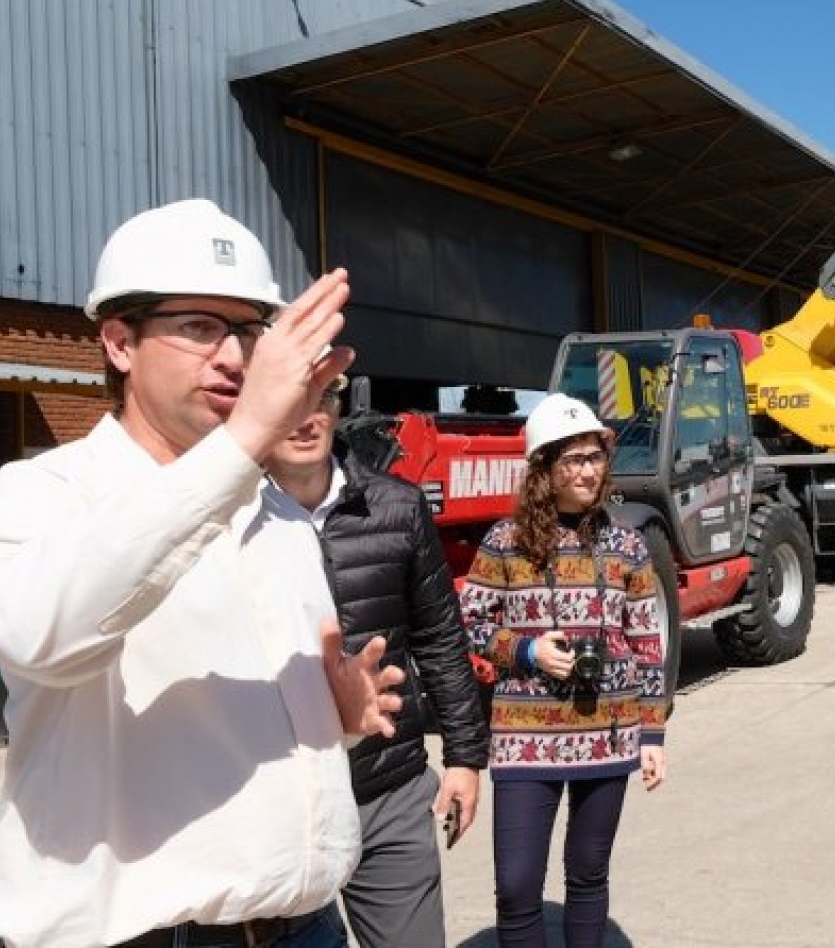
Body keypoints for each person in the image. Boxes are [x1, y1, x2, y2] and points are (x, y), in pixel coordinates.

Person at [0, 199, 403, 947]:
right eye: (199, 327)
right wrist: (247, 438)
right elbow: (43, 636)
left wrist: (335, 724)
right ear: (119, 343)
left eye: (250, 331)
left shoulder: (279, 517)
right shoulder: (44, 494)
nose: (234, 357)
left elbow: (226, 740)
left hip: (304, 927)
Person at [266, 377, 492, 947]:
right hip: (278, 802)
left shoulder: (395, 506)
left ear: (338, 406)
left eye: (320, 399)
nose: (306, 417)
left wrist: (465, 758)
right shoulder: (228, 523)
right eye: (290, 398)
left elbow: (440, 637)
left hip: (386, 789)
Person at [458, 393, 670, 948]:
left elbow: (647, 640)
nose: (586, 470)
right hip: (524, 738)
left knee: (588, 874)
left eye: (594, 457)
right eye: (572, 459)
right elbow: (469, 621)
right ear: (543, 469)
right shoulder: (504, 544)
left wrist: (652, 732)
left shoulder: (626, 545)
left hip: (608, 732)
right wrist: (527, 652)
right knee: (517, 885)